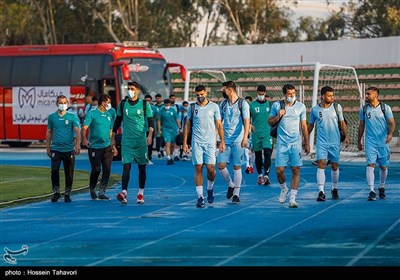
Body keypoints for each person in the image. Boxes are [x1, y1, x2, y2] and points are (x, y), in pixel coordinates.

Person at [112, 81, 154, 204]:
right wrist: (113, 138)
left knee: (142, 168)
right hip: (127, 141)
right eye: (128, 88)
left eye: (132, 89)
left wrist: (150, 135)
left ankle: (141, 193)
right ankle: (124, 192)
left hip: (141, 141)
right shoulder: (123, 104)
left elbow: (151, 122)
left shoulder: (145, 105)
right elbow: (117, 122)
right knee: (126, 167)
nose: (130, 90)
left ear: (138, 91)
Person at [268, 83, 310, 208]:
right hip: (282, 143)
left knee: (295, 169)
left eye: (293, 93)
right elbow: (270, 122)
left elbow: (303, 126)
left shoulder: (301, 106)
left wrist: (307, 142)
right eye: (289, 94)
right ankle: (283, 188)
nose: (292, 95)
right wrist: (278, 116)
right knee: (280, 170)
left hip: (295, 143)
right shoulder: (277, 105)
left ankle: (293, 198)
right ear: (284, 94)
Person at [183, 85, 225, 208]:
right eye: (197, 95)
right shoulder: (192, 107)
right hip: (196, 141)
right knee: (198, 168)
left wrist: (222, 141)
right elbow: (187, 126)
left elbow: (219, 124)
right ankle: (200, 196)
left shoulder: (214, 107)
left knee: (211, 170)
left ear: (206, 93)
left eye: (202, 94)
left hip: (210, 142)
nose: (200, 97)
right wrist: (185, 142)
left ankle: (210, 188)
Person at [307, 86, 349, 202]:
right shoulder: (315, 110)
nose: (332, 97)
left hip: (334, 142)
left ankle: (334, 188)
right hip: (321, 142)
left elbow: (342, 123)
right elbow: (310, 125)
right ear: (323, 96)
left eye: (332, 95)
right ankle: (321, 192)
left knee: (335, 166)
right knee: (321, 164)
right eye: (330, 95)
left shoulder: (337, 107)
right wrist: (305, 139)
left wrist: (347, 136)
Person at [357, 86, 395, 201]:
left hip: (383, 142)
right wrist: (359, 141)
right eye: (366, 94)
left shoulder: (385, 108)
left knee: (383, 167)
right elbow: (361, 126)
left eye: (368, 94)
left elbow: (392, 123)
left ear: (375, 95)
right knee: (370, 165)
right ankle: (371, 191)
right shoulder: (364, 109)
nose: (366, 96)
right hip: (370, 143)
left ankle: (381, 186)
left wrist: (390, 134)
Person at [218, 80, 250, 204]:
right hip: (226, 139)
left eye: (224, 89)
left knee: (237, 166)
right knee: (221, 165)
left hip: (238, 139)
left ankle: (236, 194)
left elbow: (246, 121)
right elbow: (219, 122)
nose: (223, 91)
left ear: (230, 90)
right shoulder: (223, 104)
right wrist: (220, 139)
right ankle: (231, 184)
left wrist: (245, 137)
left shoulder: (243, 104)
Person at [81, 94, 118, 200]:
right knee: (96, 169)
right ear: (103, 103)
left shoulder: (109, 115)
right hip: (95, 147)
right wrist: (85, 139)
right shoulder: (92, 114)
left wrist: (113, 146)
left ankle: (102, 192)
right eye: (108, 102)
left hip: (107, 147)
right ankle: (92, 189)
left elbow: (111, 132)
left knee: (107, 170)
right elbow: (84, 128)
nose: (109, 104)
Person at [46, 95, 81, 203]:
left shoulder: (72, 116)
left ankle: (67, 193)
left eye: (65, 102)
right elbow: (49, 132)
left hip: (69, 149)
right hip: (56, 149)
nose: (63, 104)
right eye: (60, 102)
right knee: (55, 171)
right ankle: (56, 192)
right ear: (57, 104)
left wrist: (78, 145)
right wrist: (48, 147)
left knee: (69, 172)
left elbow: (77, 130)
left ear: (68, 103)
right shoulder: (52, 117)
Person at [249, 85, 273, 186]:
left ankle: (266, 176)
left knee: (267, 153)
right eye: (259, 93)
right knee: (258, 156)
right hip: (256, 134)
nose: (261, 95)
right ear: (257, 93)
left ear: (265, 93)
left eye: (263, 94)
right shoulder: (252, 105)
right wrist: (250, 125)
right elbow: (246, 118)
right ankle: (259, 176)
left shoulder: (270, 105)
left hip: (267, 133)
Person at [157, 98, 182, 165]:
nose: (167, 105)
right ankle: (169, 158)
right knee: (167, 143)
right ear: (164, 104)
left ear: (170, 104)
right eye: (166, 104)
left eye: (168, 104)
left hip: (173, 129)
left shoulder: (173, 110)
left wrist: (180, 127)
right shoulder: (161, 111)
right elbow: (159, 120)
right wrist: (159, 129)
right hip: (165, 129)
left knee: (172, 145)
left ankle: (172, 155)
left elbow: (176, 119)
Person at [144, 94, 157, 165]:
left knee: (150, 144)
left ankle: (149, 158)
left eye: (149, 100)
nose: (148, 102)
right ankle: (143, 158)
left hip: (151, 129)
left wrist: (157, 129)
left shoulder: (154, 108)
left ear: (151, 101)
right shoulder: (141, 108)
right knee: (143, 144)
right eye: (146, 101)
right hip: (142, 129)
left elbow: (156, 119)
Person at [243, 96, 255, 174]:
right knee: (246, 148)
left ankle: (251, 166)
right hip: (246, 132)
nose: (247, 104)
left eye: (248, 102)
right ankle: (247, 166)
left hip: (254, 132)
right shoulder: (243, 111)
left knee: (253, 150)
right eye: (246, 102)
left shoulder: (253, 111)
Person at [154, 93, 166, 159]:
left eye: (159, 98)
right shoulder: (154, 107)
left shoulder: (164, 107)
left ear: (161, 98)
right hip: (156, 124)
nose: (158, 99)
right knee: (158, 138)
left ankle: (162, 148)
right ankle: (159, 152)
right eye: (157, 98)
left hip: (164, 124)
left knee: (165, 139)